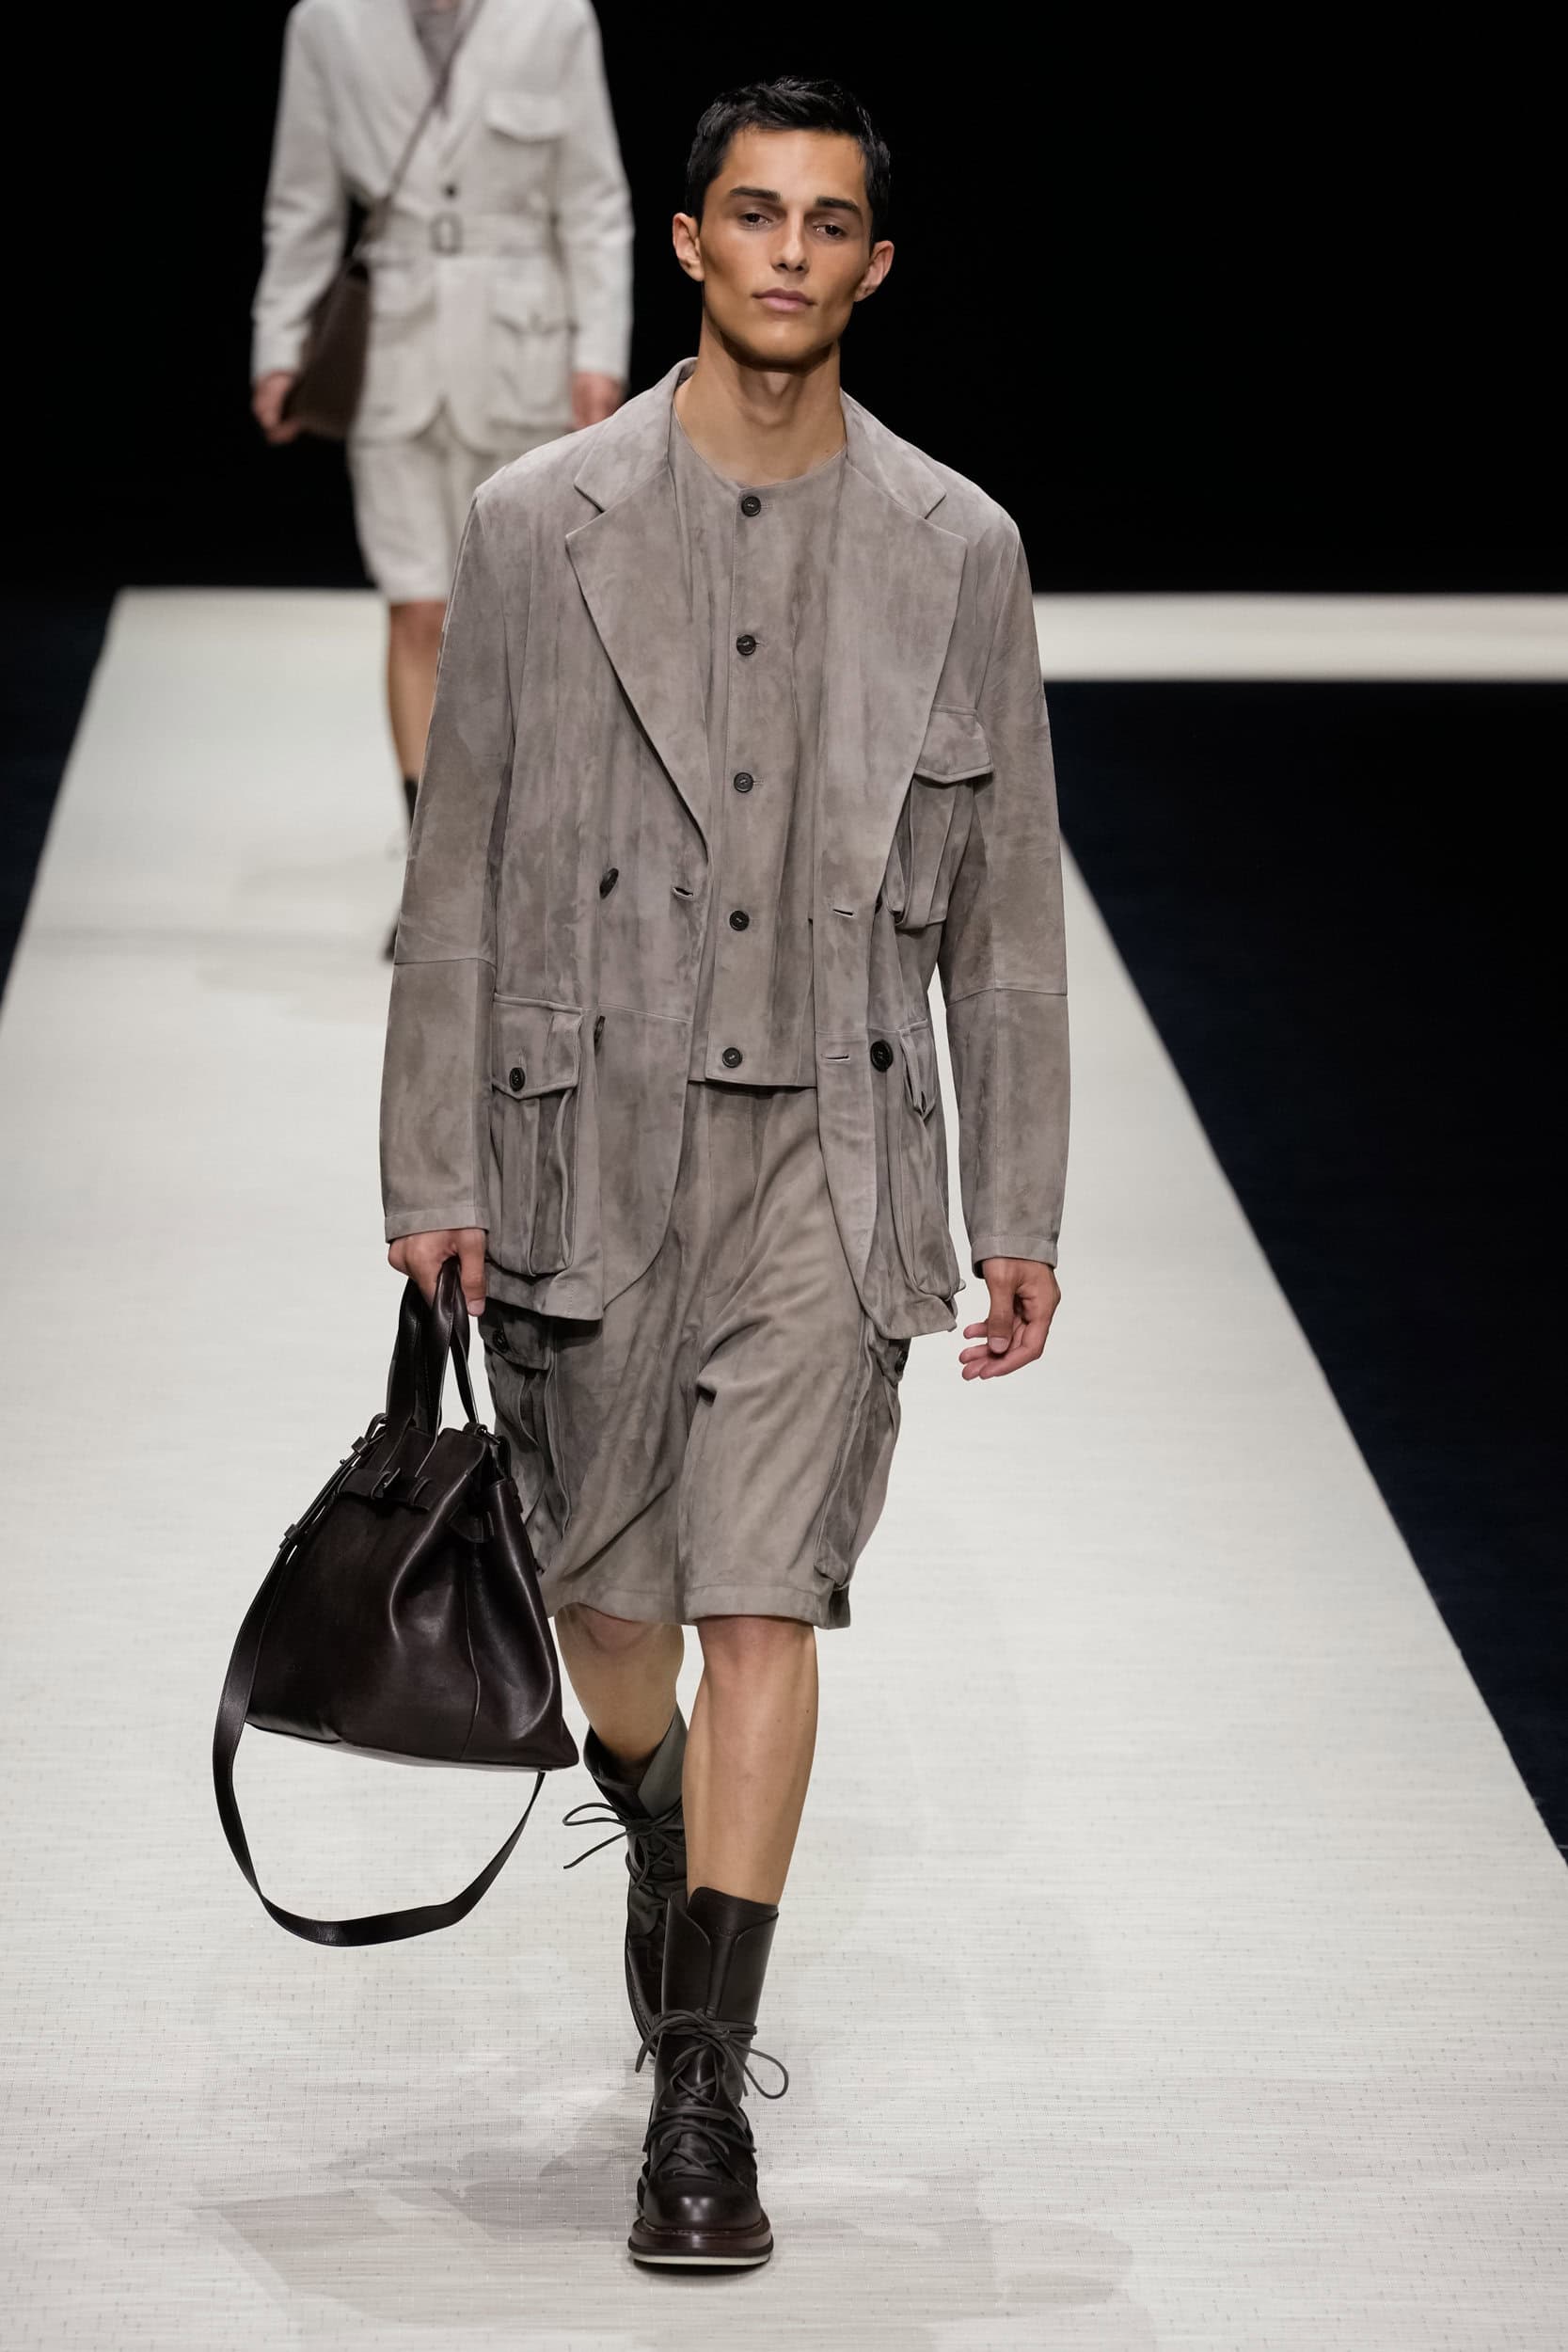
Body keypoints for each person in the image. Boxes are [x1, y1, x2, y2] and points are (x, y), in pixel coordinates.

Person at [379, 76, 1069, 2269]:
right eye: (751, 214)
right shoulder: (536, 522)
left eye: (826, 220)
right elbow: (459, 862)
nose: (786, 251)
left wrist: (1019, 1205)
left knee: (764, 1596)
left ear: (875, 262)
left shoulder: (958, 548)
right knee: (614, 1616)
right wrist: (427, 1158)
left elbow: (1006, 921)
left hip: (835, 1168)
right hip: (589, 1142)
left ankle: (700, 2085)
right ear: (686, 243)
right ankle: (656, 1804)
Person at [250, 0, 631, 923]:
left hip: (523, 345)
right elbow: (303, 202)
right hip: (394, 348)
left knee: (521, 620)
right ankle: (441, 882)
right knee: (417, 607)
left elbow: (593, 200)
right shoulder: (328, 23)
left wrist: (599, 351)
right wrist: (279, 343)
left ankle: (522, 862)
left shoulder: (553, 18)